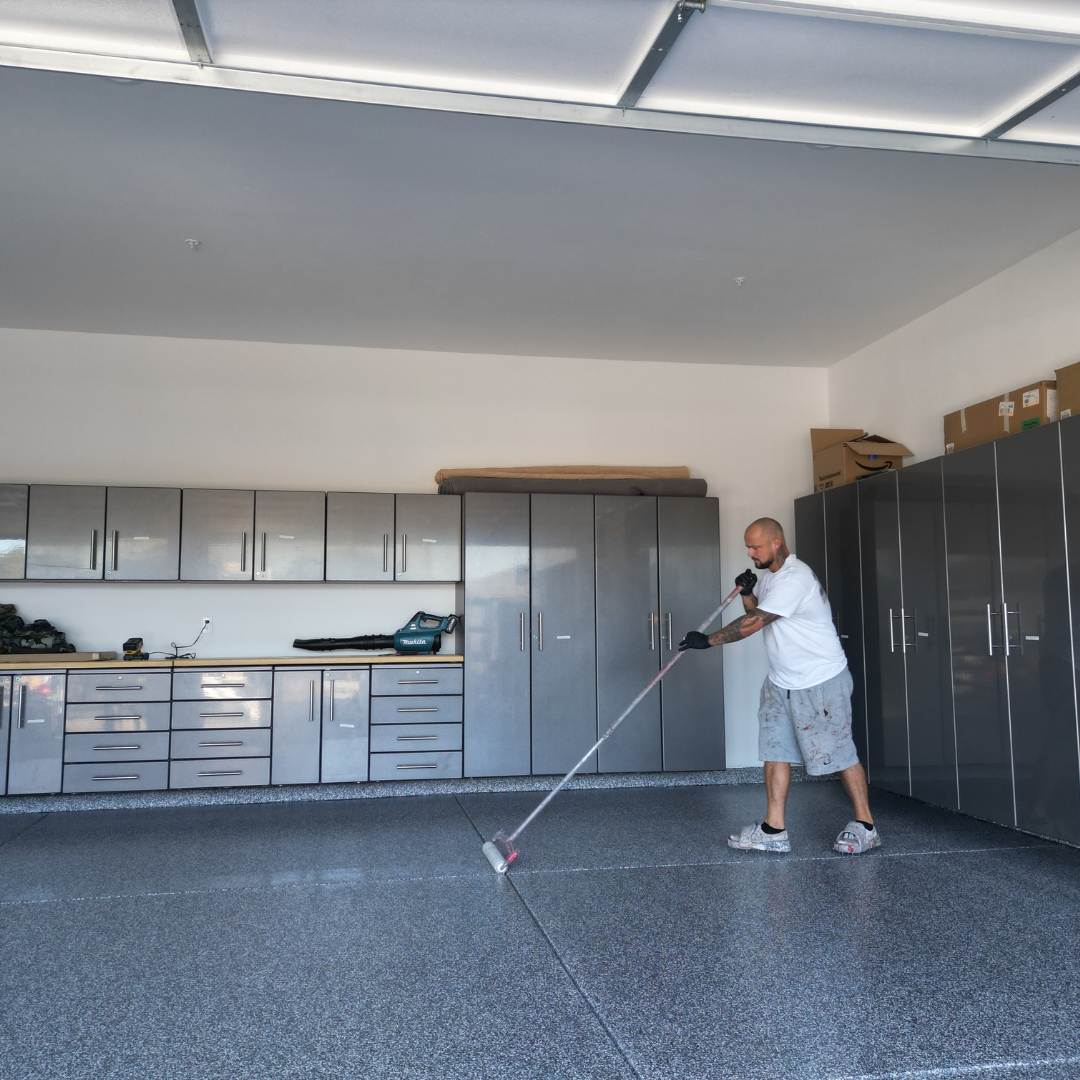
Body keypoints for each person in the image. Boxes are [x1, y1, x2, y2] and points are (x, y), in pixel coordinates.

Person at [679, 517, 879, 855]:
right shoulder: (773, 578)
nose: (750, 553)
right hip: (781, 681)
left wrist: (708, 640)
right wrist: (748, 593)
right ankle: (774, 830)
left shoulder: (795, 578)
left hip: (820, 681)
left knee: (840, 752)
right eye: (747, 547)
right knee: (775, 752)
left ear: (776, 542)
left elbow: (755, 623)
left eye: (755, 546)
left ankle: (866, 825)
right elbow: (762, 613)